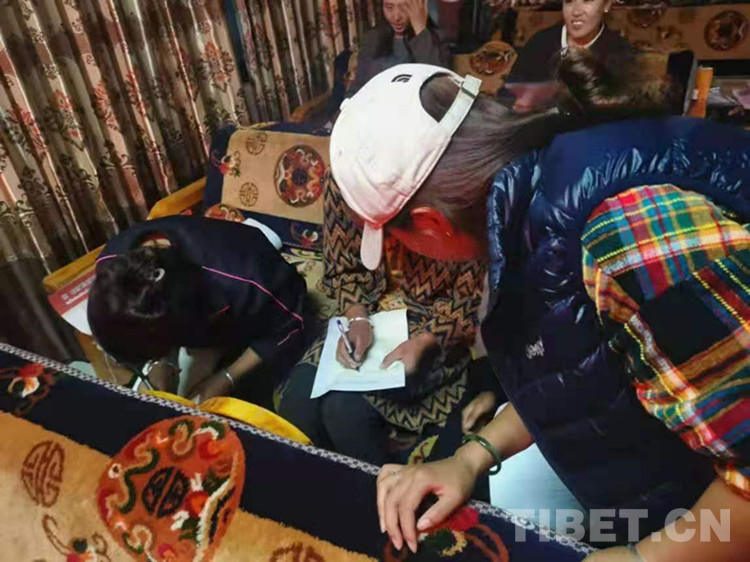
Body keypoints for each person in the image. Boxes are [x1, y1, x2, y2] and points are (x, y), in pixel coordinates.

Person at [329, 58, 749, 559]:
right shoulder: (530, 202)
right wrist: (471, 457)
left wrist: (641, 557)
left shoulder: (624, 234)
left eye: (400, 241)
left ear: (432, 225)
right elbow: (575, 368)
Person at [274, 168, 485, 466]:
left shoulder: (462, 192)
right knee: (297, 405)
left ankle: (376, 491)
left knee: (344, 413)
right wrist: (357, 318)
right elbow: (344, 267)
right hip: (369, 312)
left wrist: (427, 341)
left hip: (432, 322)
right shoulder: (347, 179)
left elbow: (466, 301)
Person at [88, 215, 309, 402]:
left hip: (252, 288)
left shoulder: (249, 280)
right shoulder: (110, 263)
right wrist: (161, 364)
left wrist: (227, 377)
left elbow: (292, 322)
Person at [504, 0, 633, 113]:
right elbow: (507, 93)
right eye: (569, 1)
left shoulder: (621, 53)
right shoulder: (540, 42)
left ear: (606, 5)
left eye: (587, 1)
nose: (576, 11)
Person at [351, 0, 452, 95]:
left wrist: (420, 28)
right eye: (389, 7)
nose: (396, 17)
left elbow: (439, 86)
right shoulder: (372, 38)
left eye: (404, 7)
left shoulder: (436, 39)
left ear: (420, 6)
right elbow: (358, 85)